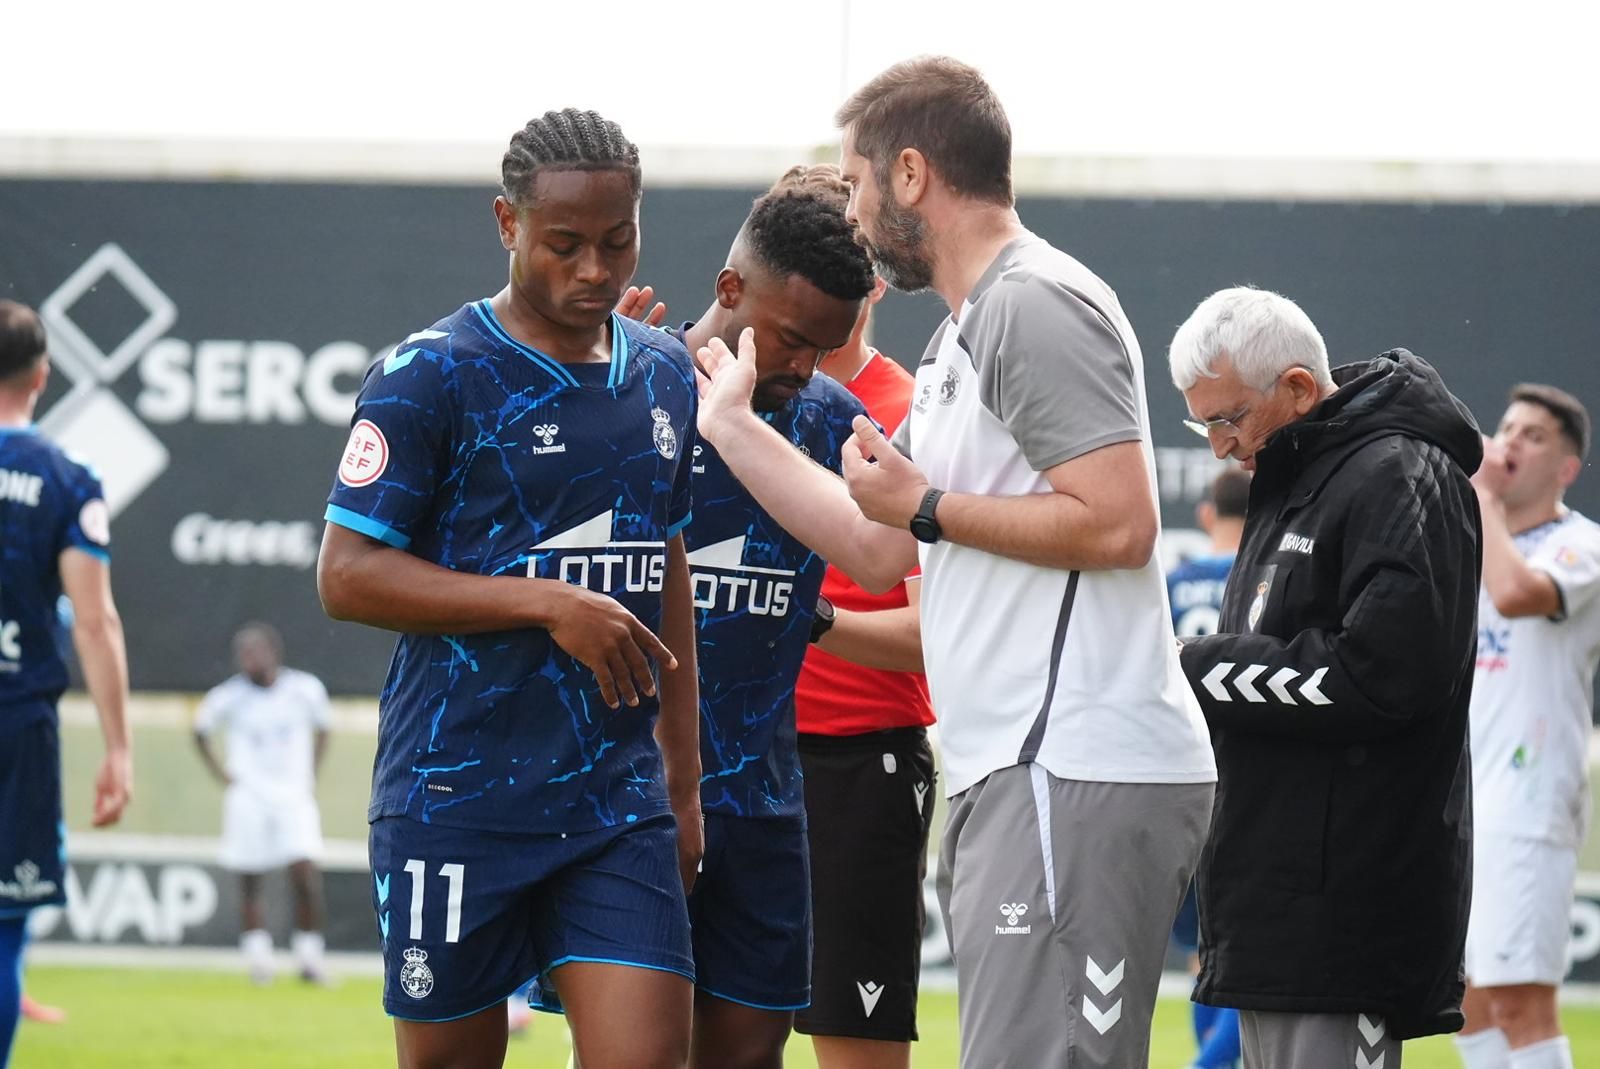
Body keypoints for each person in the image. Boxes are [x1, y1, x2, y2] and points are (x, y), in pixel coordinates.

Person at [693, 56, 1217, 1069]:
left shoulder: (1033, 299)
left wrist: (928, 504)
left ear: (910, 175)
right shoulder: (958, 336)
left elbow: (1118, 526)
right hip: (1014, 770)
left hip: (1071, 761)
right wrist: (731, 426)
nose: (846, 211)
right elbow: (875, 543)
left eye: (851, 182)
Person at [316, 109, 702, 1069]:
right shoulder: (430, 375)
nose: (594, 271)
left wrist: (684, 784)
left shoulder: (662, 374)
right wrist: (544, 602)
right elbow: (346, 575)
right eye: (563, 245)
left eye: (618, 243)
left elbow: (670, 571)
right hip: (456, 799)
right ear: (507, 223)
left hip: (616, 807)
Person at [1168, 286, 1481, 1067]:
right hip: (1276, 909)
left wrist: (1198, 666)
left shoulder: (1402, 472)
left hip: (1346, 919)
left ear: (1299, 389)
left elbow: (1383, 676)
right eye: (1200, 424)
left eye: (1226, 419)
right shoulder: (1296, 479)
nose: (1218, 448)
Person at [672, 164, 875, 1069]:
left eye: (824, 348)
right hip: (632, 796)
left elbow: (891, 554)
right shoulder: (631, 388)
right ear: (730, 289)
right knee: (630, 1048)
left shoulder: (833, 417)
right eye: (791, 337)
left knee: (750, 1054)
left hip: (762, 799)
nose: (803, 365)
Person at [790, 274, 937, 1069]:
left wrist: (813, 625)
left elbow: (935, 635)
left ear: (876, 277)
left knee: (855, 1047)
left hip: (859, 759)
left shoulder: (911, 410)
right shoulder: (722, 400)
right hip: (724, 759)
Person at [0, 299, 133, 1067]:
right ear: (42, 376)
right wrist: (118, 748)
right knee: (4, 921)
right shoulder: (65, 478)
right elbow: (94, 622)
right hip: (17, 728)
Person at [1454, 385, 1599, 1069]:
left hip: (1529, 796)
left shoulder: (1581, 546)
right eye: (1505, 425)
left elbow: (1517, 597)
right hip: (1463, 796)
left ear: (1566, 468)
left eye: (1533, 435)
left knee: (1521, 1003)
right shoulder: (1472, 542)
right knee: (1467, 1001)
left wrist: (1482, 498)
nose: (1509, 441)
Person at [193, 622, 332, 985]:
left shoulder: (305, 690)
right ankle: (259, 961)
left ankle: (309, 959)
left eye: (255, 651)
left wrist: (311, 772)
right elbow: (200, 730)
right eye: (243, 654)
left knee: (304, 875)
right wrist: (221, 774)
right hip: (248, 799)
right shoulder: (228, 697)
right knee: (250, 880)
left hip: (293, 798)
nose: (248, 660)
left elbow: (324, 728)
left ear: (274, 652)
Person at [1166, 467, 1249, 1069]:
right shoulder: (1267, 578)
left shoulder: (1172, 584)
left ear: (1204, 515)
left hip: (1181, 775)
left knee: (1203, 954)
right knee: (1251, 954)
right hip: (1250, 779)